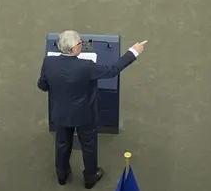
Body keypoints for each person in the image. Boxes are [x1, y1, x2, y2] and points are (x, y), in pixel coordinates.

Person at [38, 30, 148, 189]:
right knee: (88, 145)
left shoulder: (48, 62)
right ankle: (90, 177)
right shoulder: (86, 66)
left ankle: (61, 175)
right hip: (84, 115)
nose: (81, 45)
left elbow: (42, 85)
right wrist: (133, 52)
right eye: (80, 43)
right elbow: (112, 70)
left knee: (62, 144)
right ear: (73, 49)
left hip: (60, 113)